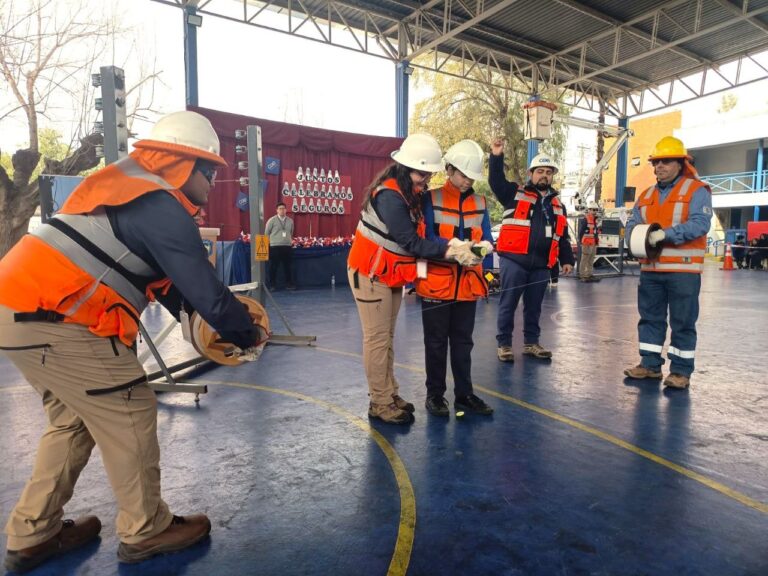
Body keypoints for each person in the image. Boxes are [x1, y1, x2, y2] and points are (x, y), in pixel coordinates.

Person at [0, 111, 262, 572]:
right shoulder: (160, 204)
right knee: (131, 406)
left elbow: (171, 283)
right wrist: (250, 334)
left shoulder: (130, 189)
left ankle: (32, 534)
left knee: (73, 422)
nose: (213, 181)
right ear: (184, 165)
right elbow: (207, 293)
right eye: (210, 171)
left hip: (17, 309)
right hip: (56, 319)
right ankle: (147, 529)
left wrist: (201, 314)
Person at [347, 133, 480, 425]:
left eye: (428, 175)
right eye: (421, 174)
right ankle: (380, 403)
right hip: (370, 273)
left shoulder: (407, 192)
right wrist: (451, 250)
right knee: (377, 340)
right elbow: (410, 242)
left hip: (388, 273)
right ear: (404, 167)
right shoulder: (390, 196)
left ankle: (389, 393)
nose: (425, 181)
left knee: (387, 338)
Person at [624, 136, 712, 389]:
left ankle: (681, 372)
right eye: (655, 162)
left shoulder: (697, 190)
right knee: (650, 318)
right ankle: (650, 365)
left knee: (683, 322)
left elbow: (700, 224)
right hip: (650, 270)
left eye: (665, 161)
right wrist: (635, 240)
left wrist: (665, 234)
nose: (658, 167)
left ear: (681, 163)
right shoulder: (647, 194)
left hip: (683, 271)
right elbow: (632, 223)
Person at [416, 140, 494, 417]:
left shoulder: (481, 202)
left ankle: (464, 395)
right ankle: (435, 395)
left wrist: (484, 251)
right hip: (436, 284)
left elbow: (486, 238)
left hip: (467, 286)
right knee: (435, 343)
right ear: (448, 170)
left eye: (471, 176)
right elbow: (425, 239)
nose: (467, 181)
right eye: (462, 175)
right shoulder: (431, 199)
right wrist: (454, 247)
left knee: (463, 343)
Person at [489, 140, 575, 363]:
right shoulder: (513, 193)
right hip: (514, 261)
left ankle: (531, 343)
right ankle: (504, 344)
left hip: (541, 265)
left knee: (534, 307)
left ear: (552, 175)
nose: (544, 176)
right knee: (508, 303)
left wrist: (567, 259)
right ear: (531, 173)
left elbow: (562, 235)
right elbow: (495, 181)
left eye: (548, 172)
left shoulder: (558, 204)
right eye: (540, 171)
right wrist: (496, 156)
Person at [264, 201, 295, 290]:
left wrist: (288, 241)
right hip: (275, 246)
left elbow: (291, 232)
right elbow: (266, 233)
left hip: (287, 246)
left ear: (286, 210)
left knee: (288, 266)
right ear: (277, 210)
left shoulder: (290, 221)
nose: (282, 210)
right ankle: (272, 285)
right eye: (280, 209)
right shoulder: (271, 220)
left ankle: (289, 284)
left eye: (284, 209)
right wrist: (270, 243)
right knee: (273, 266)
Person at [578, 201, 602, 282]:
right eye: (593, 210)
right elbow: (581, 231)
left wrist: (596, 241)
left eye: (596, 210)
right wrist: (580, 240)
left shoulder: (595, 220)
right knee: (585, 259)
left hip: (593, 243)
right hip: (586, 243)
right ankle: (582, 275)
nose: (595, 211)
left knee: (591, 260)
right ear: (589, 210)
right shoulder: (586, 219)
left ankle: (589, 274)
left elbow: (594, 232)